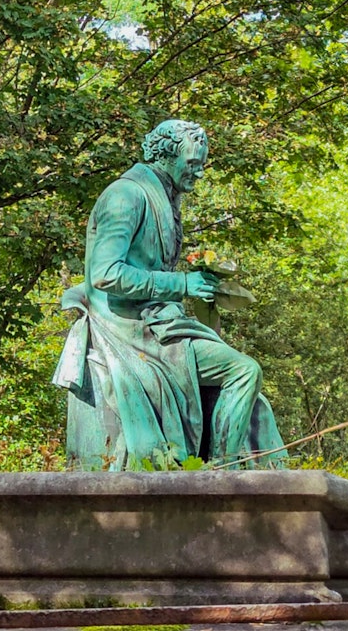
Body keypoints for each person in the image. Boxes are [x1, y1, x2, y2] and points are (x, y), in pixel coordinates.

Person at [52, 119, 286, 469]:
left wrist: (203, 285)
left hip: (157, 325)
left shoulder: (163, 197)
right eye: (193, 164)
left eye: (201, 165)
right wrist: (181, 284)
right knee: (244, 370)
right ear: (166, 156)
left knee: (248, 386)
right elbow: (104, 274)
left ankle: (225, 469)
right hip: (126, 329)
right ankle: (222, 471)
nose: (199, 174)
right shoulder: (126, 195)